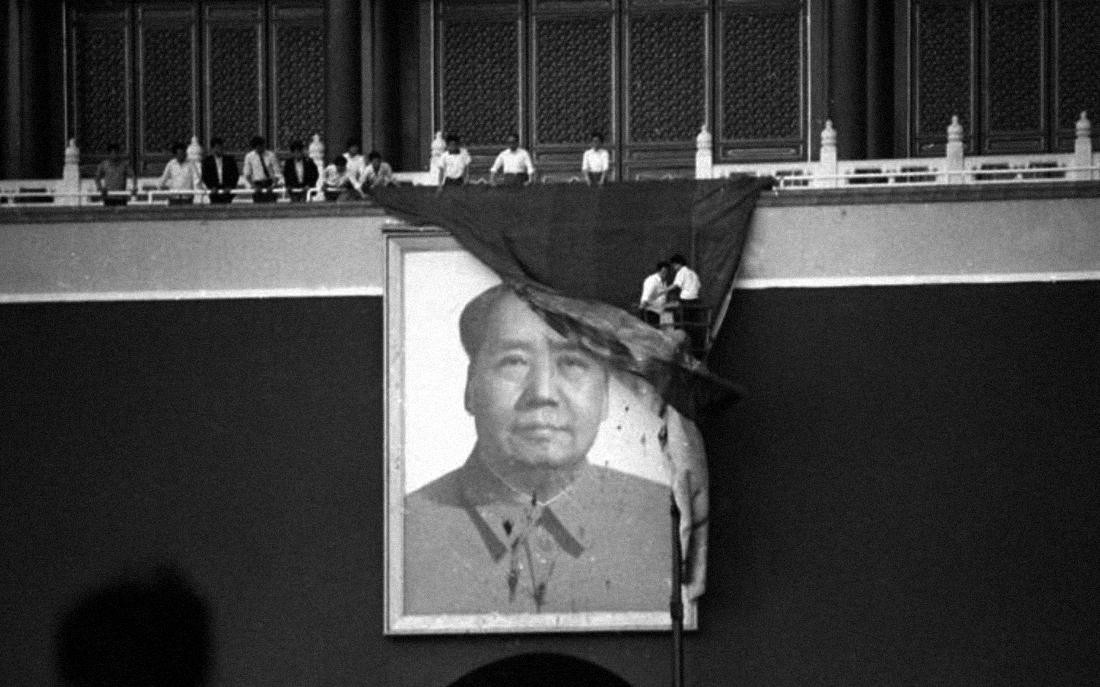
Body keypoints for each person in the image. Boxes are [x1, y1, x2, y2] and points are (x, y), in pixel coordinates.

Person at [404, 284, 672, 615]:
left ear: (604, 395)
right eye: (514, 362)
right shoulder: (407, 531)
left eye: (573, 362)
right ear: (470, 388)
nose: (543, 392)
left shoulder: (660, 519)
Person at [667, 254, 705, 354]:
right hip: (695, 302)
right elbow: (698, 286)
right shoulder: (693, 273)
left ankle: (681, 350)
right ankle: (696, 351)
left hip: (685, 302)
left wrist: (663, 291)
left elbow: (676, 285)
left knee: (681, 326)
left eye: (674, 266)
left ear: (678, 264)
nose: (674, 268)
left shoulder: (681, 272)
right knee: (694, 327)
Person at [200, 137, 239, 204]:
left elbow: (235, 175)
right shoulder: (207, 161)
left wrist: (230, 186)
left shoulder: (230, 160)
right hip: (214, 191)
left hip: (227, 191)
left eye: (221, 147)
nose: (219, 149)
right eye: (217, 147)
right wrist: (211, 187)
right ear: (212, 149)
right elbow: (205, 176)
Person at [242, 135, 281, 203]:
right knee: (258, 208)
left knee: (271, 207)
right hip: (257, 185)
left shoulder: (271, 155)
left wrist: (273, 185)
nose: (259, 149)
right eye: (257, 147)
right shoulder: (249, 157)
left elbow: (277, 172)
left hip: (270, 183)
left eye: (261, 146)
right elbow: (247, 174)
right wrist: (253, 186)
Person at [638, 261, 670, 327]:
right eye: (664, 271)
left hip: (659, 312)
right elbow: (646, 295)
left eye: (667, 271)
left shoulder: (664, 282)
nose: (666, 273)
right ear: (659, 270)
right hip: (650, 312)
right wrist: (642, 309)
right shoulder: (652, 280)